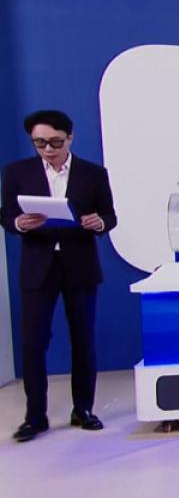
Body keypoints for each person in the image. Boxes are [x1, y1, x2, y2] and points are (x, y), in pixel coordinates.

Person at [1, 110, 118, 442]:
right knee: (33, 343)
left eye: (55, 142)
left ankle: (83, 409)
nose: (48, 150)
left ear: (70, 137)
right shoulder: (17, 172)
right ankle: (35, 417)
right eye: (40, 143)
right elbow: (7, 214)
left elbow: (109, 215)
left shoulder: (93, 174)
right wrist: (19, 223)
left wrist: (99, 223)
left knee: (83, 340)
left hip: (79, 264)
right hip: (37, 267)